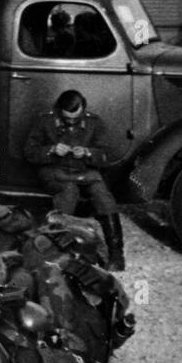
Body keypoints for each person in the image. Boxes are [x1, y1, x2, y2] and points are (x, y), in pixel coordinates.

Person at [23, 89, 124, 270]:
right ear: (59, 109)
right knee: (69, 191)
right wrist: (51, 150)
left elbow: (106, 155)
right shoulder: (45, 121)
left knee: (102, 195)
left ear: (83, 110)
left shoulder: (95, 123)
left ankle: (116, 255)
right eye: (66, 118)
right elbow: (29, 152)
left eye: (75, 119)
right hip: (54, 170)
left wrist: (88, 152)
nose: (71, 122)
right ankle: (57, 249)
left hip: (85, 170)